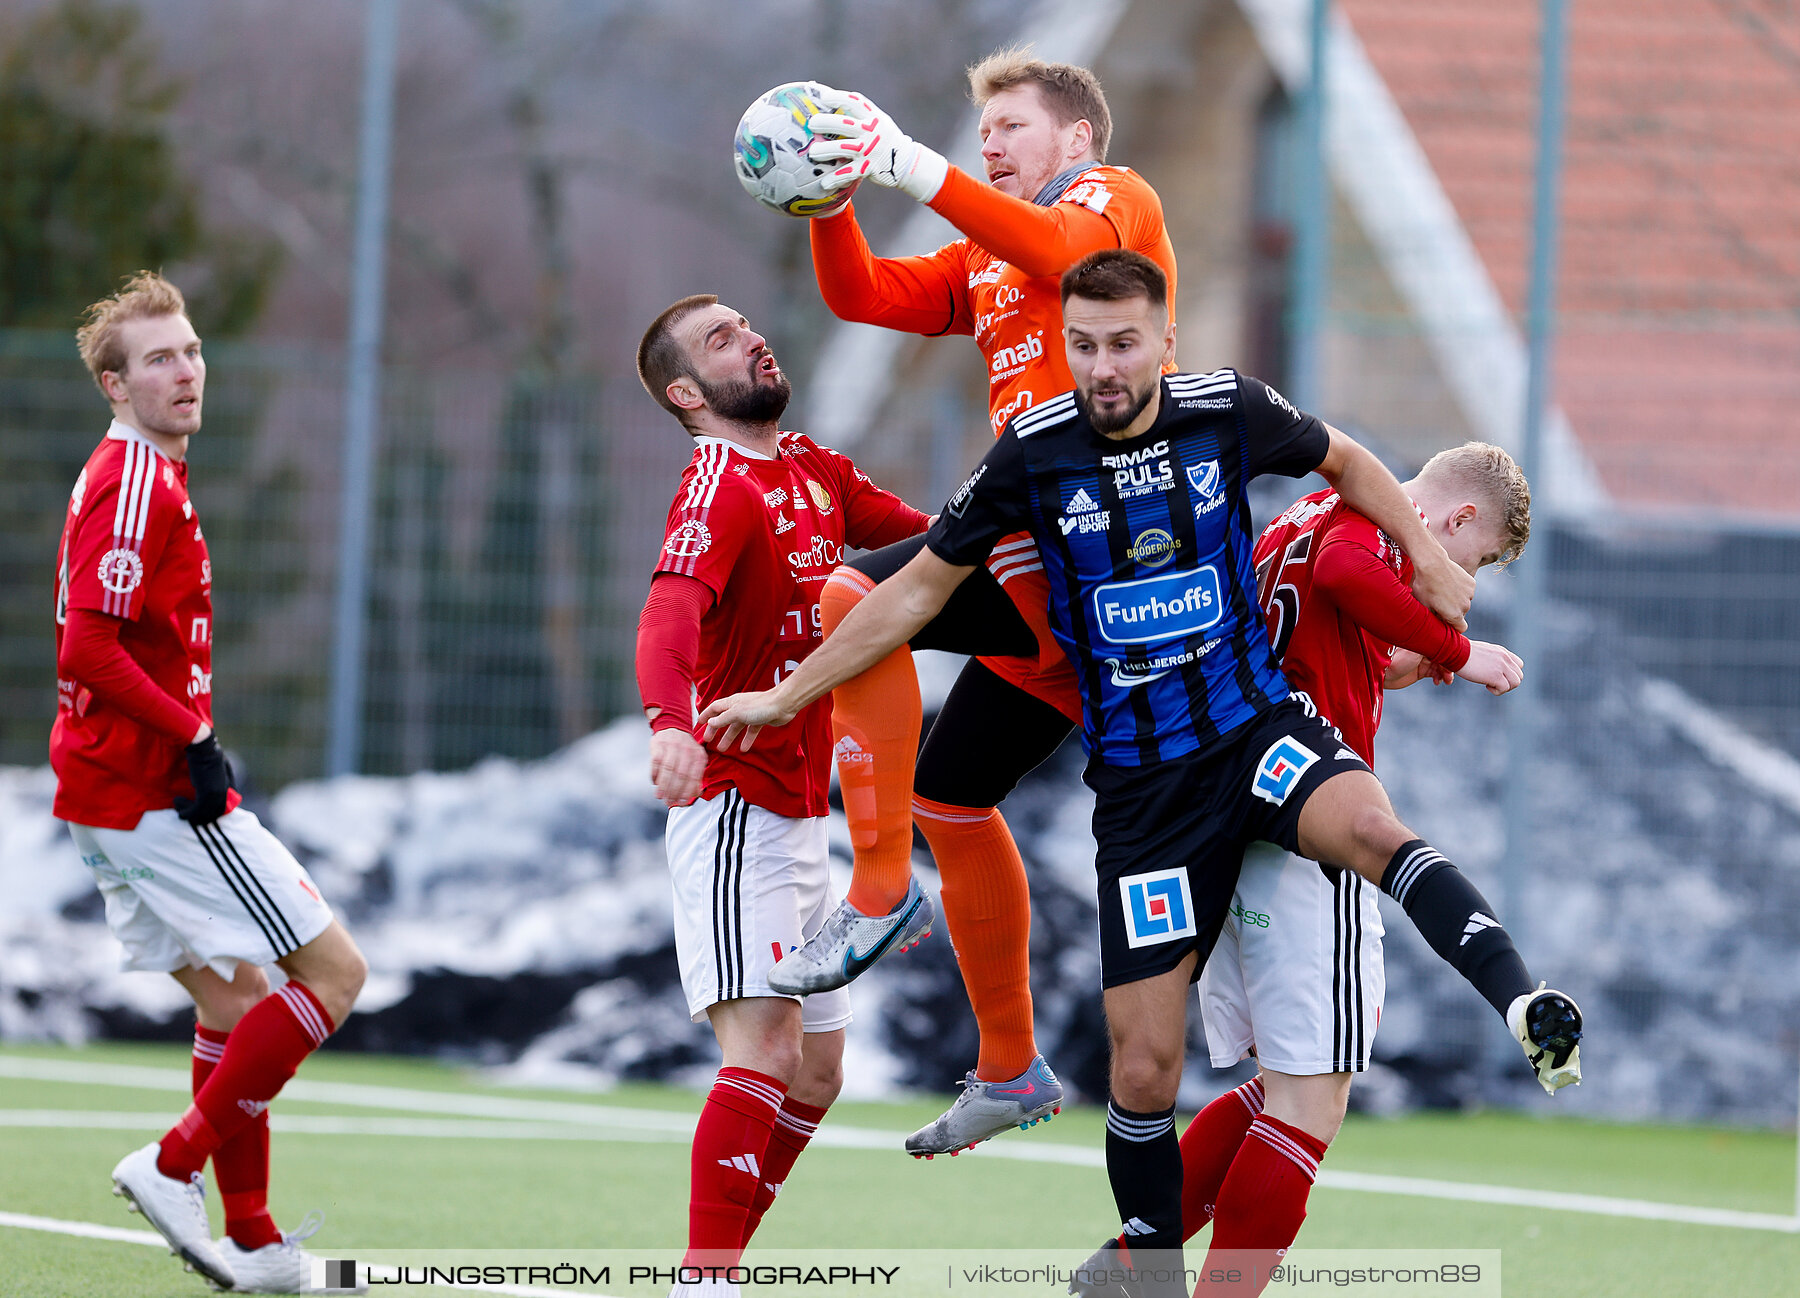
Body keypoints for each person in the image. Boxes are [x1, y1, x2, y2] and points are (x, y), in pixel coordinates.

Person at [700, 251, 1580, 1296]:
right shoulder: (1031, 450)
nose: (1103, 366)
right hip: (1145, 790)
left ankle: (1522, 995)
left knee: (1375, 830)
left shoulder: (1227, 409)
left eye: (1124, 343)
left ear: (1164, 341)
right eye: (1082, 344)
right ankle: (1144, 1270)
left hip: (1252, 729)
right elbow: (912, 596)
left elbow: (1346, 458)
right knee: (1143, 1069)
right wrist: (788, 691)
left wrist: (1430, 562)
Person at [770, 49, 1180, 1156]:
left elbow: (1059, 247)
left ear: (1077, 141)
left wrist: (905, 160)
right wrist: (828, 193)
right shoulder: (989, 260)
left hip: (1106, 557)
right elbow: (859, 294)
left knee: (856, 589)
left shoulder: (1112, 199)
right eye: (981, 130)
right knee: (952, 797)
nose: (988, 146)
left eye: (1009, 127)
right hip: (1038, 577)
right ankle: (1010, 1066)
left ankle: (876, 887)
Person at [1075, 442, 1572, 1297]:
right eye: (1475, 558)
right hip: (1303, 820)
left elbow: (1313, 635)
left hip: (1232, 812)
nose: (1461, 580)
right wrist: (1461, 651)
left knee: (1283, 1084)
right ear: (1455, 519)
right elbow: (1348, 575)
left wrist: (1406, 662)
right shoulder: (1368, 532)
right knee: (1313, 1104)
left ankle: (1125, 1265)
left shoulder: (1298, 516)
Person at [54, 272, 368, 1294]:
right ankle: (171, 1163)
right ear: (115, 384)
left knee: (234, 1003)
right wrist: (192, 735)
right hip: (151, 790)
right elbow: (89, 644)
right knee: (333, 975)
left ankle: (257, 1239)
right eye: (157, 358)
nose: (186, 371)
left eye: (190, 350)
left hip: (105, 788)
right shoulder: (135, 479)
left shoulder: (140, 474)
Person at [633, 295, 928, 1292]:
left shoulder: (810, 467)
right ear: (687, 392)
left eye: (747, 325)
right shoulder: (716, 483)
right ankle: (706, 1275)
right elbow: (670, 611)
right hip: (732, 804)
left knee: (817, 1070)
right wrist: (669, 722)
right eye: (721, 339)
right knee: (763, 1044)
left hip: (806, 811)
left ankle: (713, 1268)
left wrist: (1035, 526)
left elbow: (931, 550)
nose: (752, 337)